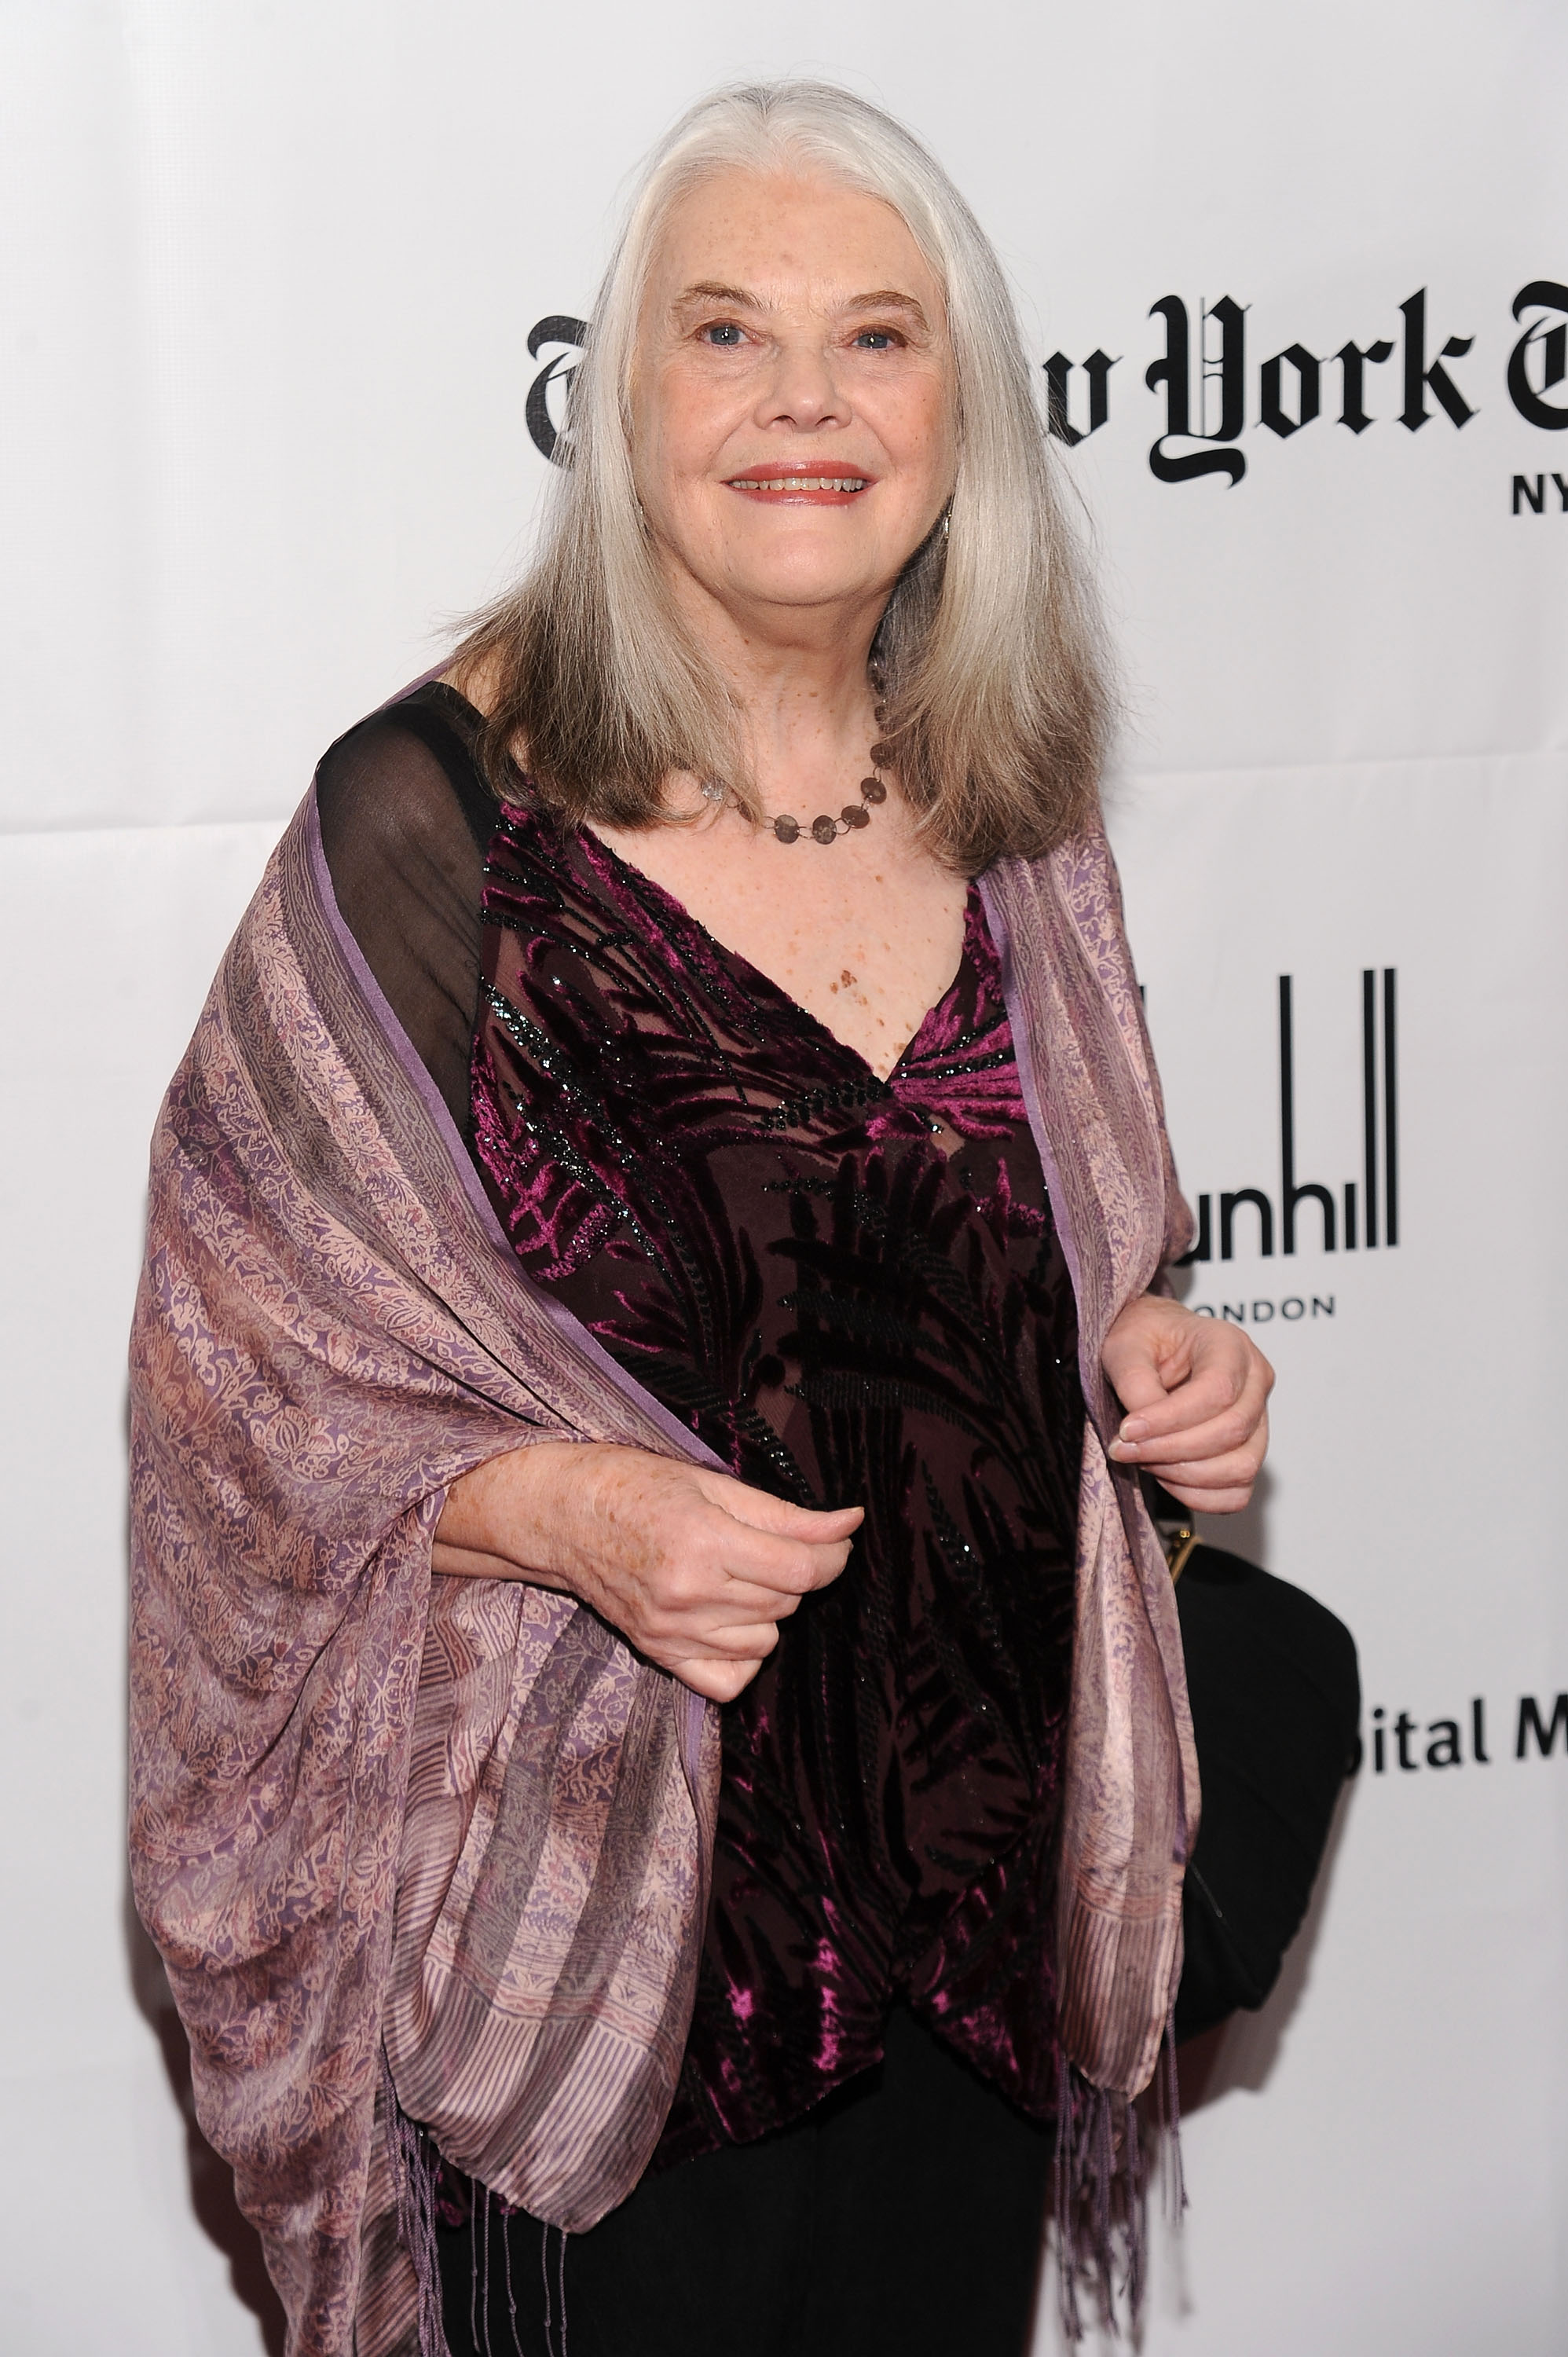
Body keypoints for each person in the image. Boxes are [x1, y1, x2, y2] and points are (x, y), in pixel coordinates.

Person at [129, 80, 1271, 2357]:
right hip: (591, 2012)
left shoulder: (1013, 803)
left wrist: (1161, 1359)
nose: (802, 405)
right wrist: (555, 1511)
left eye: (876, 338)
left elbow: (1047, 1267)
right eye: (727, 335)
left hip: (966, 1962)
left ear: (964, 409)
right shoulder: (434, 825)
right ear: (622, 397)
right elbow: (236, 1411)